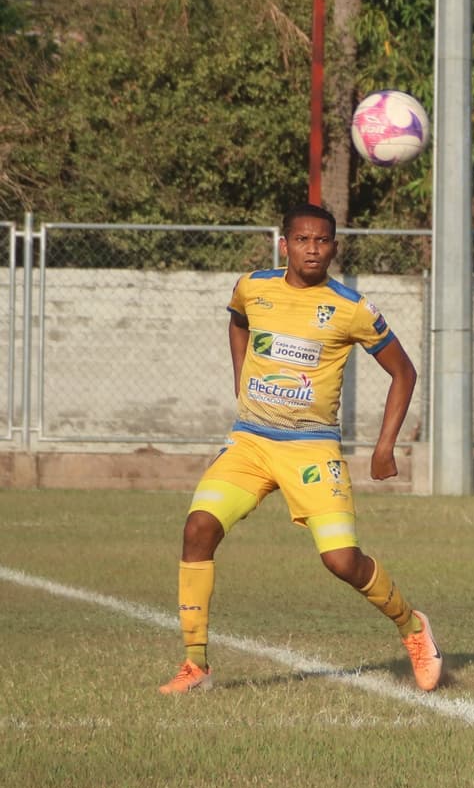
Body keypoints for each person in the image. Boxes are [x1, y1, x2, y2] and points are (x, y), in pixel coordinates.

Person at [159, 203, 442, 695]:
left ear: (335, 246)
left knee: (341, 561)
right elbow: (237, 321)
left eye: (323, 241)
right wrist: (240, 378)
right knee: (198, 528)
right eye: (303, 240)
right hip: (250, 441)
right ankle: (196, 664)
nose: (313, 249)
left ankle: (413, 629)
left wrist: (384, 446)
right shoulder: (253, 286)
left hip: (311, 449)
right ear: (284, 244)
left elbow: (405, 371)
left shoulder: (352, 307)